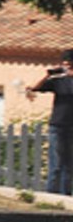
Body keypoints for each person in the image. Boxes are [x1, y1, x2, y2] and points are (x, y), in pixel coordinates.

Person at [29, 50, 73, 195]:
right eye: (65, 65)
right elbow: (36, 87)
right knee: (57, 161)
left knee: (69, 162)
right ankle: (51, 192)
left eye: (70, 65)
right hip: (58, 125)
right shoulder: (58, 81)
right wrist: (48, 74)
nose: (67, 68)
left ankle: (65, 193)